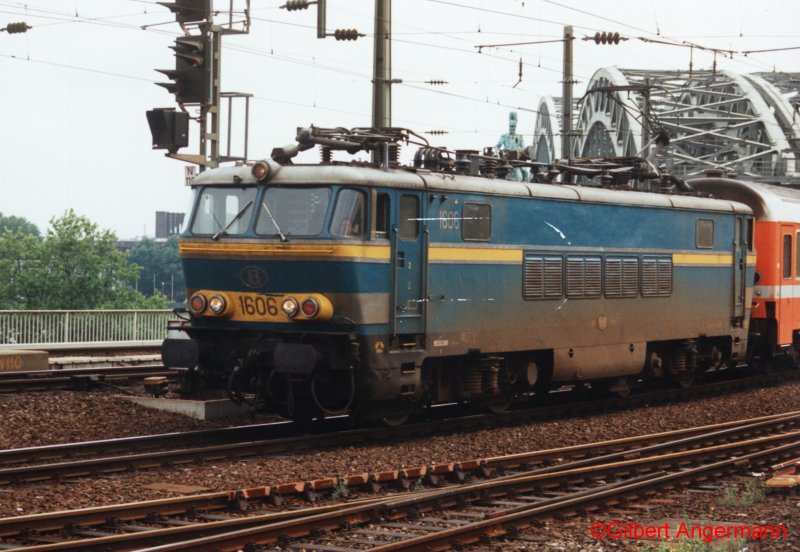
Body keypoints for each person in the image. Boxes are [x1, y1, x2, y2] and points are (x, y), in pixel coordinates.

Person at [496, 111, 529, 182]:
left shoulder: (520, 137)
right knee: (518, 176)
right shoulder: (504, 136)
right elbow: (497, 146)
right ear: (509, 126)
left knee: (527, 173)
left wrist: (519, 151)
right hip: (507, 160)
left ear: (516, 127)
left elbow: (523, 148)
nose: (512, 128)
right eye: (511, 127)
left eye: (514, 127)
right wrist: (499, 154)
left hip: (517, 160)